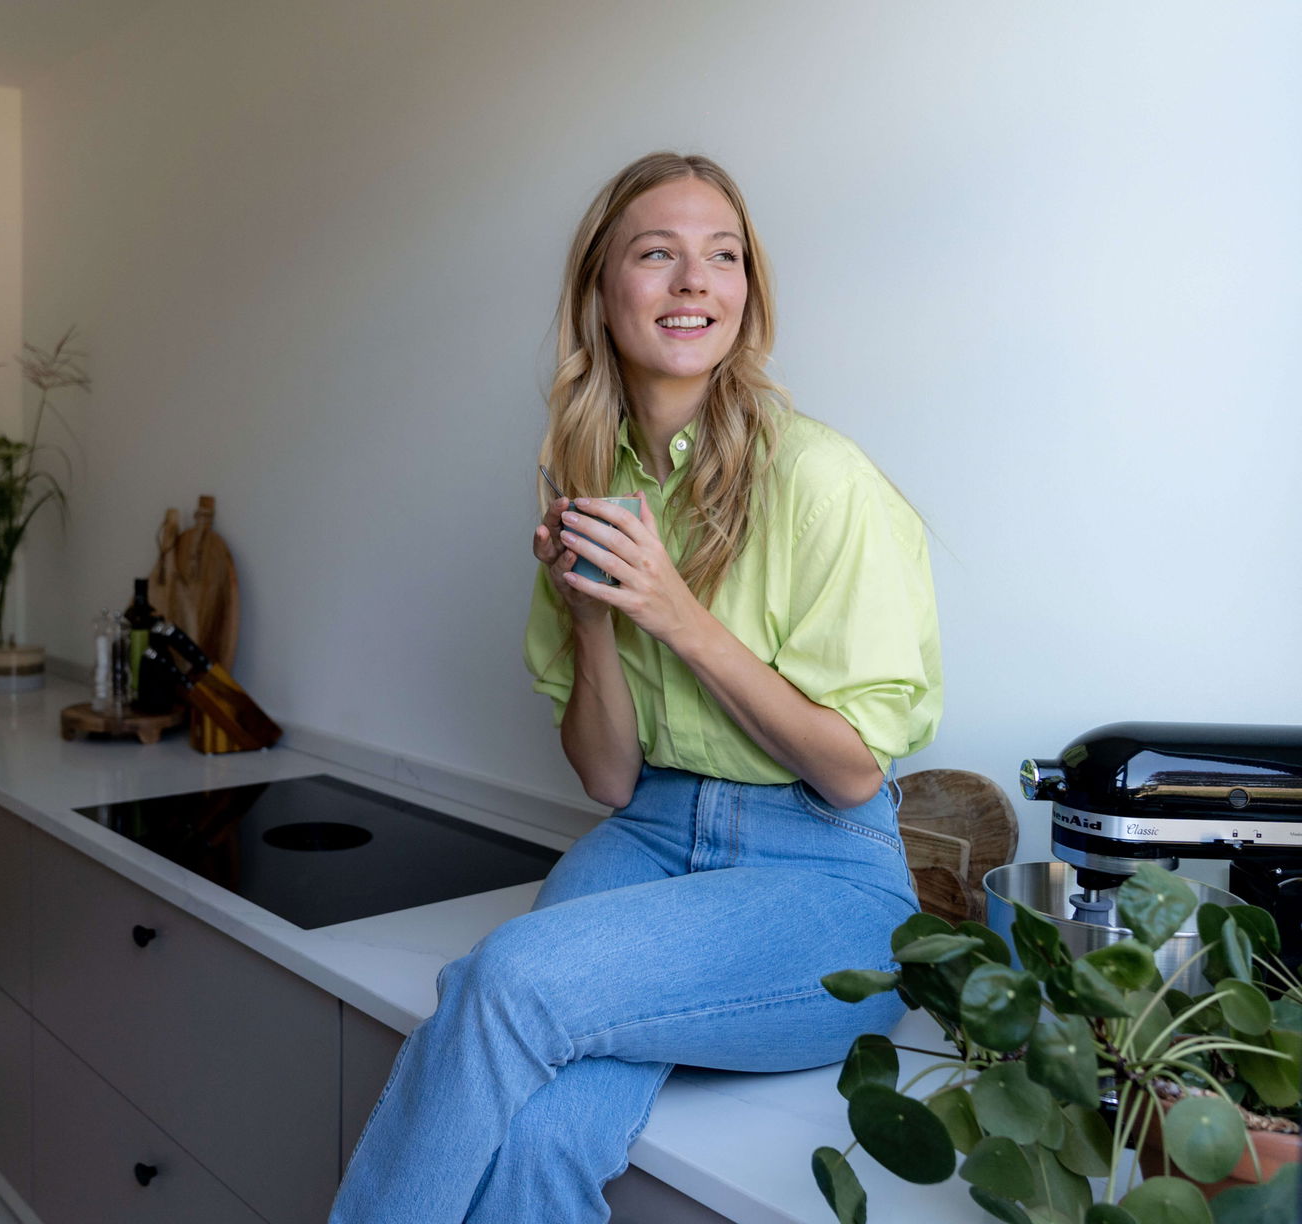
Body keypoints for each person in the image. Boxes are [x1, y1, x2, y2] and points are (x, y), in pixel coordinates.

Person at [328, 152, 942, 1223]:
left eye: (723, 256)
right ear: (601, 294)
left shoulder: (821, 477)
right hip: (649, 835)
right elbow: (610, 778)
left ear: (748, 298)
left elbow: (852, 771)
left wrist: (676, 613)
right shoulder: (593, 486)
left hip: (824, 879)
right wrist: (593, 621)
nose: (694, 280)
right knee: (543, 1127)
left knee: (504, 983)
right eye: (657, 253)